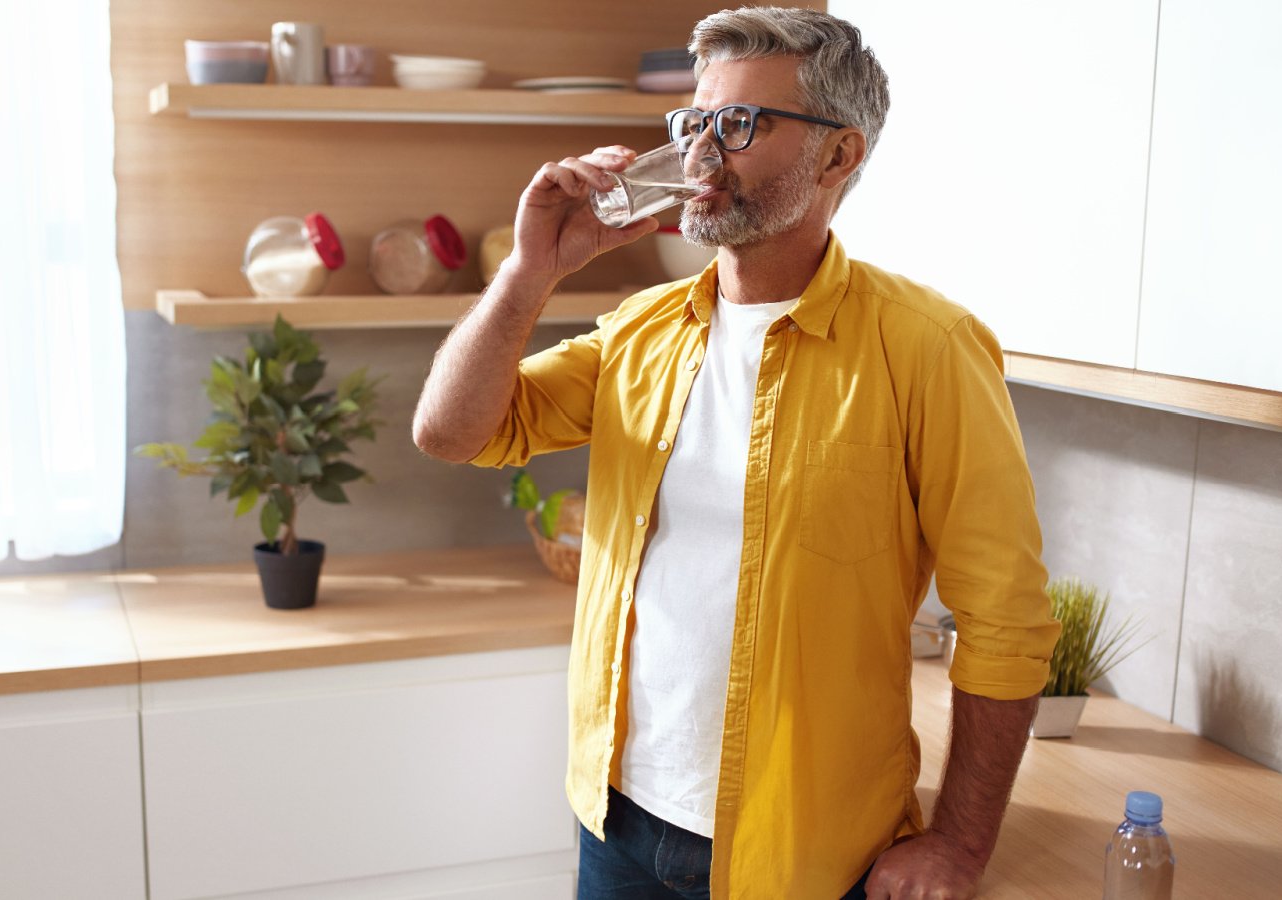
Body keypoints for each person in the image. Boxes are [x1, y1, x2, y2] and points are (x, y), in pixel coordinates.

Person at [412, 8, 1060, 899]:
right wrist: (530, 271)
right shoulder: (641, 331)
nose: (702, 152)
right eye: (694, 122)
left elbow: (1006, 620)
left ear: (840, 156)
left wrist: (958, 844)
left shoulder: (928, 348)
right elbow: (452, 431)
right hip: (617, 820)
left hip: (807, 847)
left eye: (742, 123)